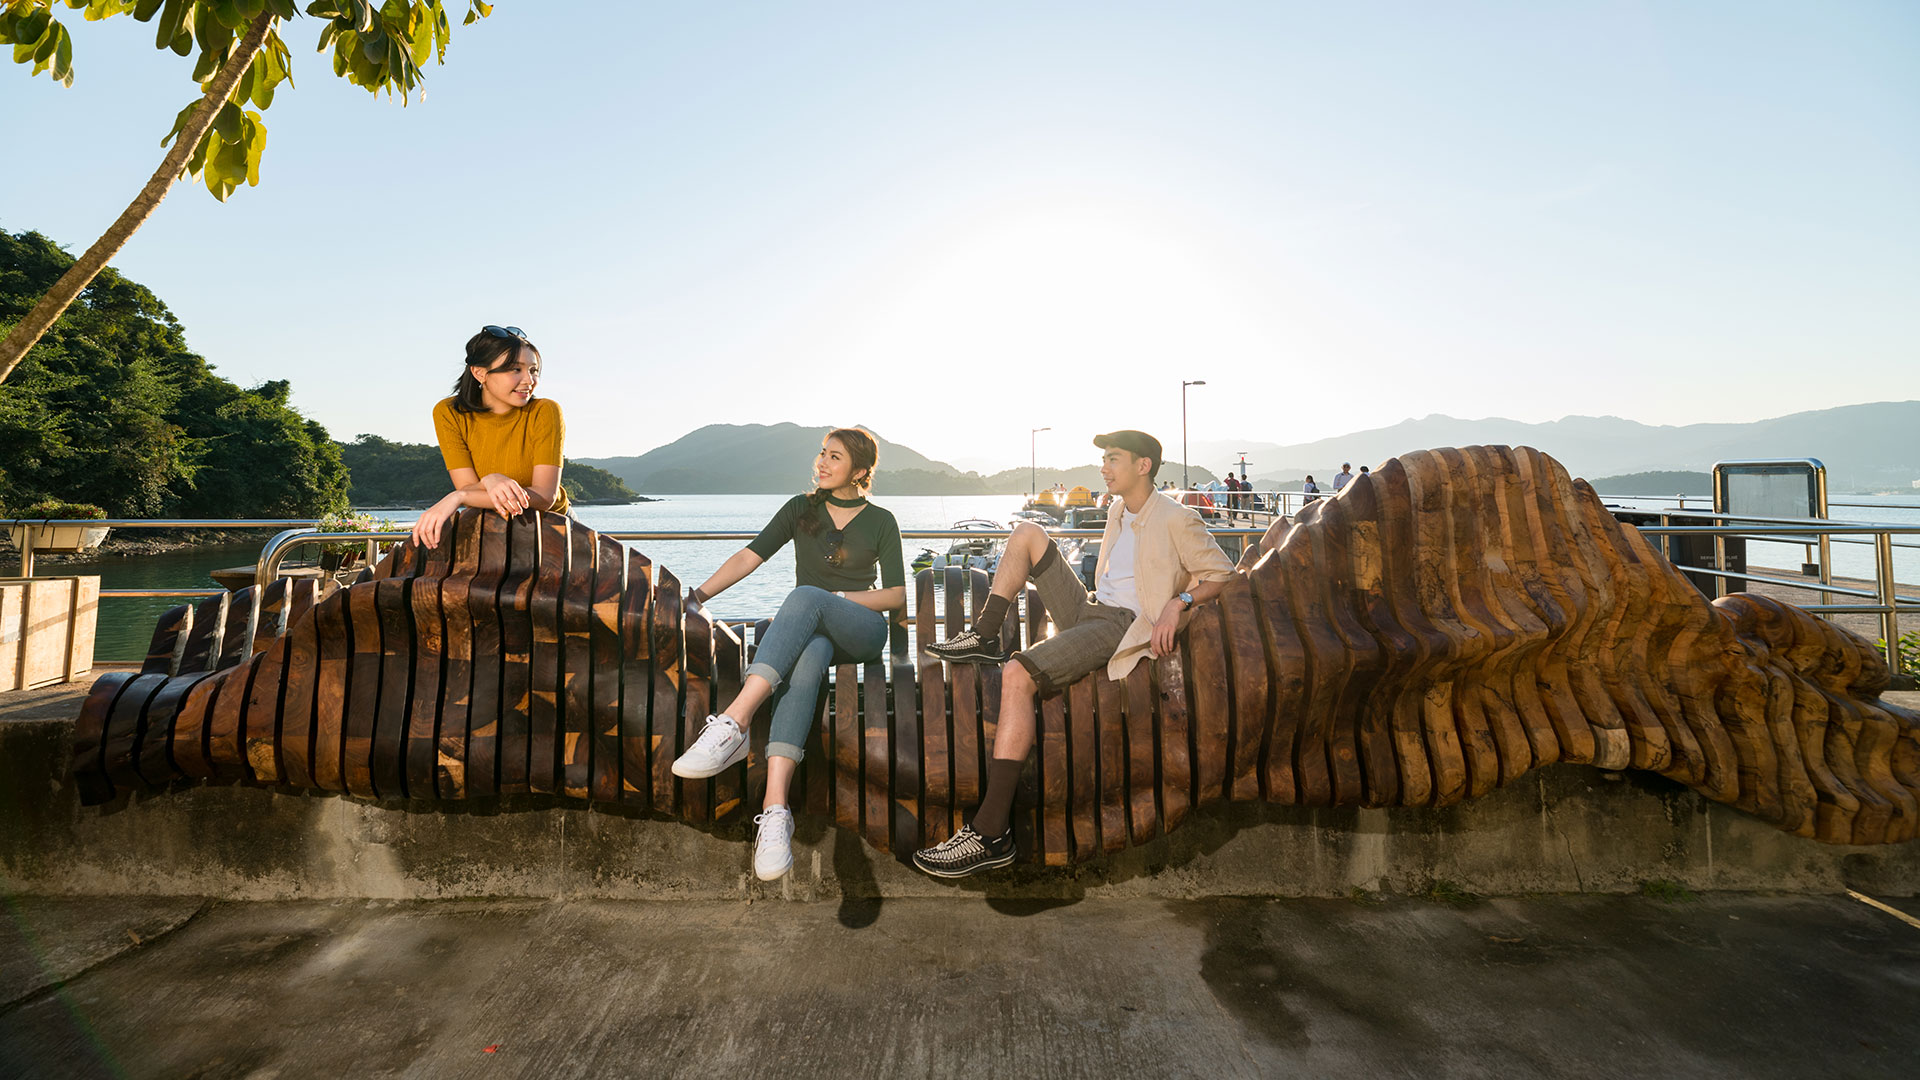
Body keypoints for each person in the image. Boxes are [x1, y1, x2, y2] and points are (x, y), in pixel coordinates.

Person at [911, 430, 1236, 877]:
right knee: (1028, 532)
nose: (1104, 467)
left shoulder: (1177, 518)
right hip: (1090, 608)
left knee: (1017, 675)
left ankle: (990, 833)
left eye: (1113, 459)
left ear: (1143, 466)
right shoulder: (1120, 508)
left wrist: (1176, 606)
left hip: (1120, 626)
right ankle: (985, 635)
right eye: (1104, 458)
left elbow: (1223, 574)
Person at [669, 428, 906, 881]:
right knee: (810, 654)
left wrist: (832, 597)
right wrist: (697, 596)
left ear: (859, 471)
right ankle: (775, 810)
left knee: (806, 597)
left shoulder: (881, 520)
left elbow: (895, 595)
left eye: (834, 457)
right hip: (817, 631)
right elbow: (750, 557)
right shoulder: (802, 509)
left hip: (862, 630)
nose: (821, 463)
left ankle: (734, 723)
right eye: (821, 454)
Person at [412, 325, 568, 549]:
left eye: (533, 370)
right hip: (491, 523)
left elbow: (544, 497)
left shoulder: (545, 411)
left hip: (551, 525)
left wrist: (458, 497)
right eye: (515, 369)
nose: (529, 380)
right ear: (480, 373)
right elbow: (467, 486)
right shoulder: (449, 413)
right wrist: (488, 481)